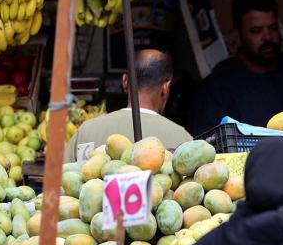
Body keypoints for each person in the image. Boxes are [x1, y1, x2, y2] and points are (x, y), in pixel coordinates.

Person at [188, 0, 283, 135]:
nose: (267, 37)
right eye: (256, 31)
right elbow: (207, 141)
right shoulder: (217, 87)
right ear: (237, 36)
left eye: (273, 28)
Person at [64, 49, 192, 162]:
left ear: (125, 81)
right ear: (166, 87)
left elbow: (59, 181)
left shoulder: (86, 131)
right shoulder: (182, 139)